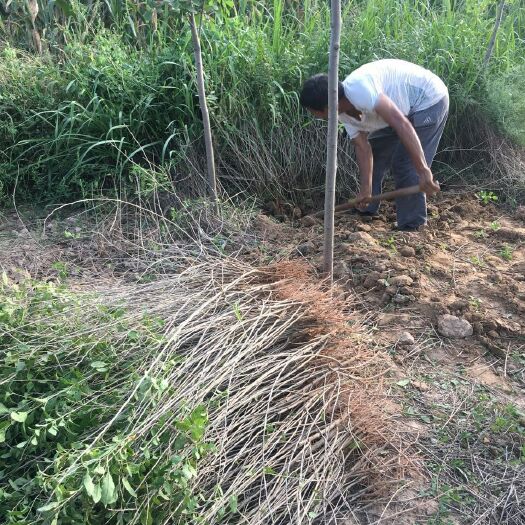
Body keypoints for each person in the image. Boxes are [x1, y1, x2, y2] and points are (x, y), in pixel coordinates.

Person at [299, 58, 449, 231]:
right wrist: (365, 189)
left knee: (405, 164)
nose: (314, 116)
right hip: (399, 110)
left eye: (313, 112)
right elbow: (363, 147)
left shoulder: (361, 91)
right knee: (378, 152)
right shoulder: (340, 112)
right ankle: (368, 204)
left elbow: (402, 124)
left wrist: (423, 170)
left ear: (325, 107)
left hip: (428, 99)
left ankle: (412, 225)